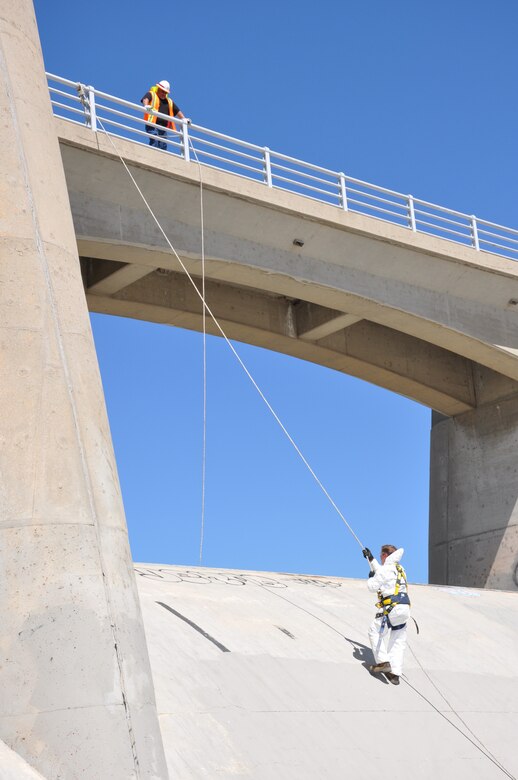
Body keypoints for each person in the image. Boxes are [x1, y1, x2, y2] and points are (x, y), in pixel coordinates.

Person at [362, 544, 411, 685]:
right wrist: (370, 559)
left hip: (391, 608)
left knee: (374, 631)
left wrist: (371, 578)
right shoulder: (400, 569)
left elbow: (372, 586)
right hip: (404, 609)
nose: (380, 558)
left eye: (380, 556)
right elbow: (383, 573)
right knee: (398, 639)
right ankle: (395, 673)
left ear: (385, 555)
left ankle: (383, 662)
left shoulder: (386, 569)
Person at [141, 80, 190, 151]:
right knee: (154, 139)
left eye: (165, 92)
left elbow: (177, 111)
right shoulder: (152, 94)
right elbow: (145, 99)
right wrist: (146, 106)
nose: (164, 94)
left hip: (163, 127)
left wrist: (184, 119)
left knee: (163, 144)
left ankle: (161, 157)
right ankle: (153, 154)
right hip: (152, 124)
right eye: (162, 91)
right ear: (158, 89)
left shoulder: (169, 101)